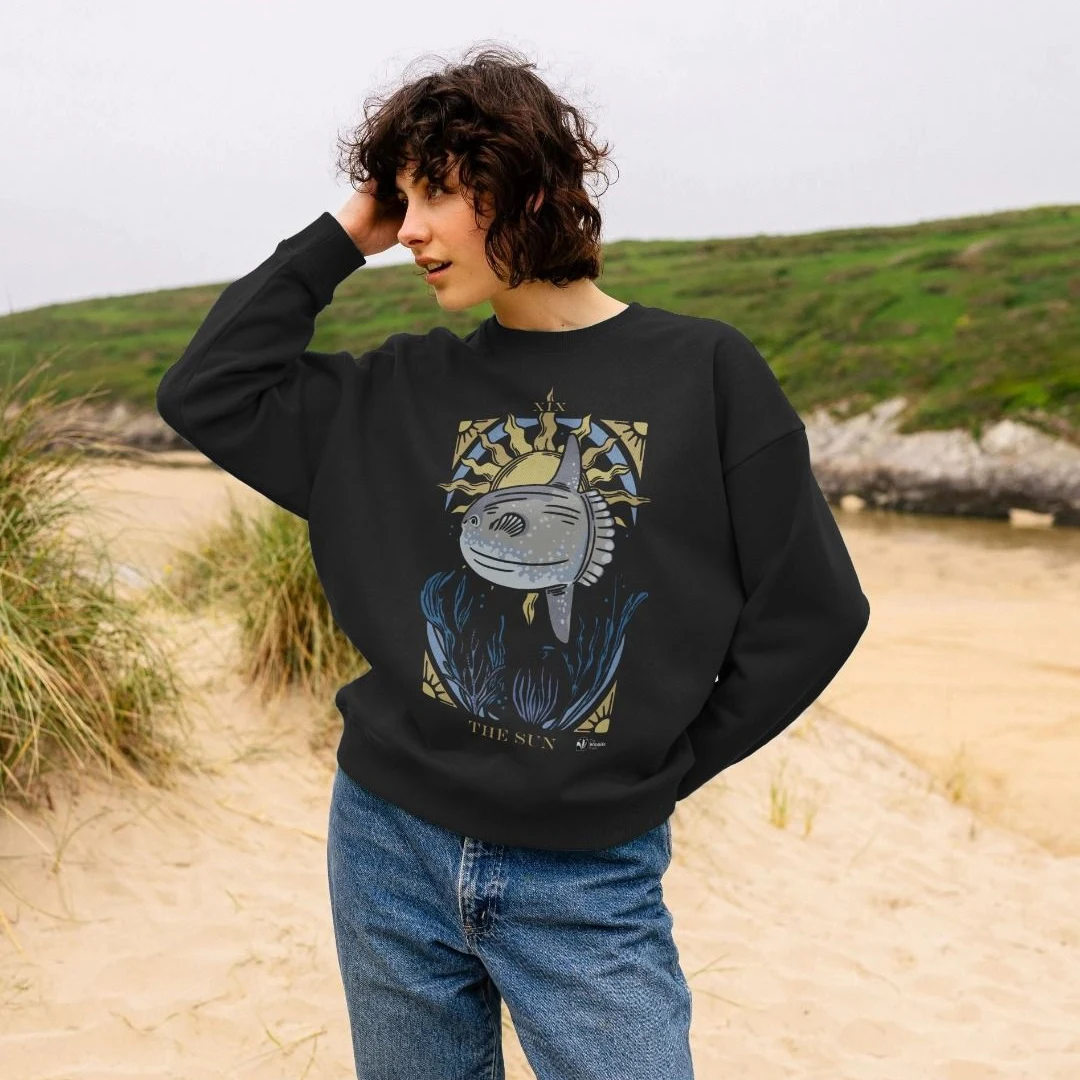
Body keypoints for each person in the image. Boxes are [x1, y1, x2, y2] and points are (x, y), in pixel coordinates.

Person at [156, 43, 870, 1080]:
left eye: (438, 193)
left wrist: (667, 765)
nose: (410, 230)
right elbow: (206, 390)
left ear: (528, 185)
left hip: (588, 878)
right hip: (388, 845)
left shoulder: (706, 370)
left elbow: (814, 612)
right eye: (399, 199)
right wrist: (344, 232)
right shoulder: (396, 392)